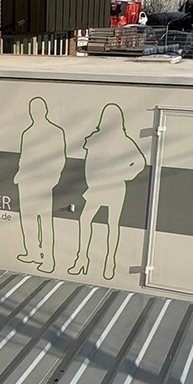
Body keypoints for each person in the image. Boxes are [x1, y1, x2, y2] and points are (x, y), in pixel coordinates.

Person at [68, 103, 146, 281]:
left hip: (111, 187)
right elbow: (139, 162)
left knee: (103, 223)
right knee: (97, 222)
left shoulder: (115, 139)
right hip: (101, 187)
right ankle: (87, 260)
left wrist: (126, 175)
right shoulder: (117, 139)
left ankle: (103, 261)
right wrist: (127, 174)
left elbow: (140, 162)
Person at [14, 97, 67, 274]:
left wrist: (54, 179)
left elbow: (60, 158)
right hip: (25, 182)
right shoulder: (27, 133)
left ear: (44, 111)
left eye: (36, 109)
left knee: (44, 222)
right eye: (32, 110)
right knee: (27, 220)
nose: (34, 113)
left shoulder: (55, 132)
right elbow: (24, 157)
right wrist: (19, 175)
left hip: (43, 183)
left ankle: (49, 260)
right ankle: (32, 253)